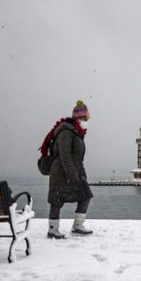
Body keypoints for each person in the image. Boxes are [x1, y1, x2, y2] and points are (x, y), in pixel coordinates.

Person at [44, 100, 94, 239]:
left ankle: (78, 226)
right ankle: (53, 230)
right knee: (57, 201)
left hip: (73, 171)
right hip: (61, 172)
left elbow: (77, 157)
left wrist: (81, 174)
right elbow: (65, 156)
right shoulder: (66, 132)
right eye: (86, 118)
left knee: (85, 196)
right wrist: (73, 176)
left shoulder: (77, 132)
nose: (87, 120)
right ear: (80, 118)